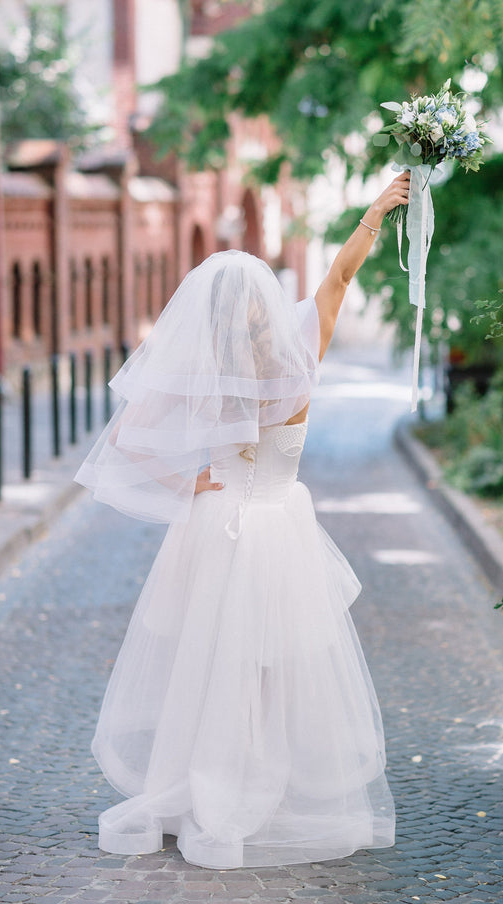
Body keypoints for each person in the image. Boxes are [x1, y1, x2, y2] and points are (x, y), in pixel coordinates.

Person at [76, 171, 411, 870]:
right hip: (278, 526)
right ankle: (266, 786)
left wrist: (189, 480)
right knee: (273, 667)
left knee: (207, 663)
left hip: (214, 520)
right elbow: (340, 279)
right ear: (265, 305)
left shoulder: (202, 373)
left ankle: (210, 782)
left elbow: (131, 441)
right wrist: (373, 215)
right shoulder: (300, 358)